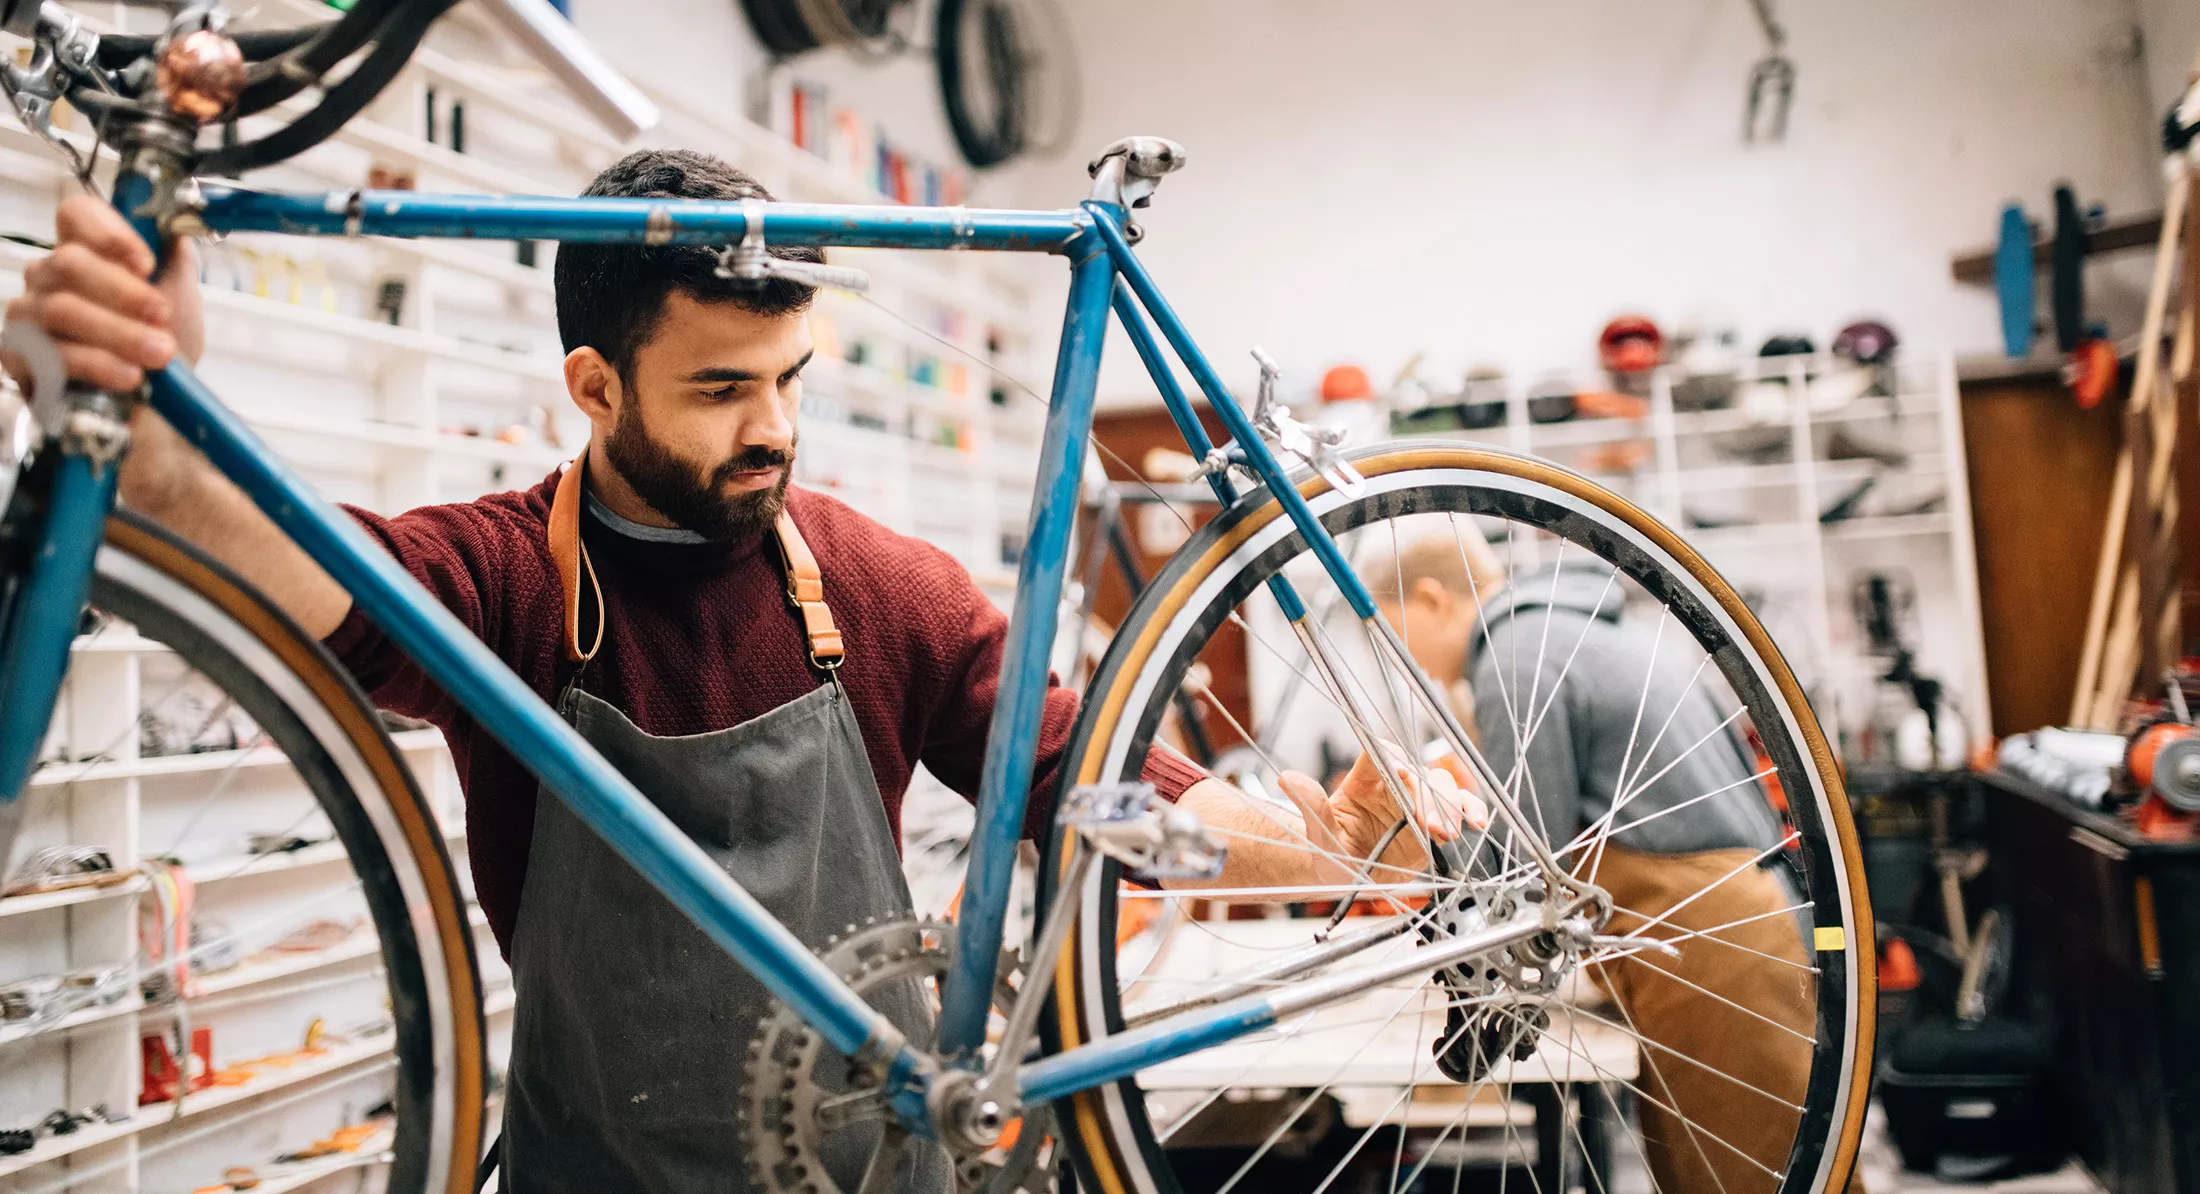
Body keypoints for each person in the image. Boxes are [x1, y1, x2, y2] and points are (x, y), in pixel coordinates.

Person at [10, 150, 1472, 1192]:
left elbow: (1080, 770)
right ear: (595, 384)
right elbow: (314, 573)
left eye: (792, 381)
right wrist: (156, 440)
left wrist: (1333, 844)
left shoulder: (877, 583)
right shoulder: (514, 580)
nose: (771, 427)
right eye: (720, 388)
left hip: (872, 1169)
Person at [1368, 522, 1834, 1194]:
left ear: (1434, 598)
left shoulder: (1514, 657)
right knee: (1746, 1164)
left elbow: (1527, 870)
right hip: (1731, 925)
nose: (1399, 658)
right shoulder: (1569, 630)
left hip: (1713, 938)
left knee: (1755, 1176)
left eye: (1387, 627)